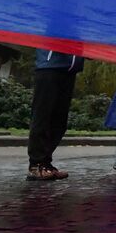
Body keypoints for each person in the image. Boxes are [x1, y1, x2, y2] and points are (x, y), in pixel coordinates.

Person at [27, 48, 84, 181]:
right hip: (50, 67)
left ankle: (46, 163)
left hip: (69, 70)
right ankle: (36, 165)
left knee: (59, 121)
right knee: (43, 117)